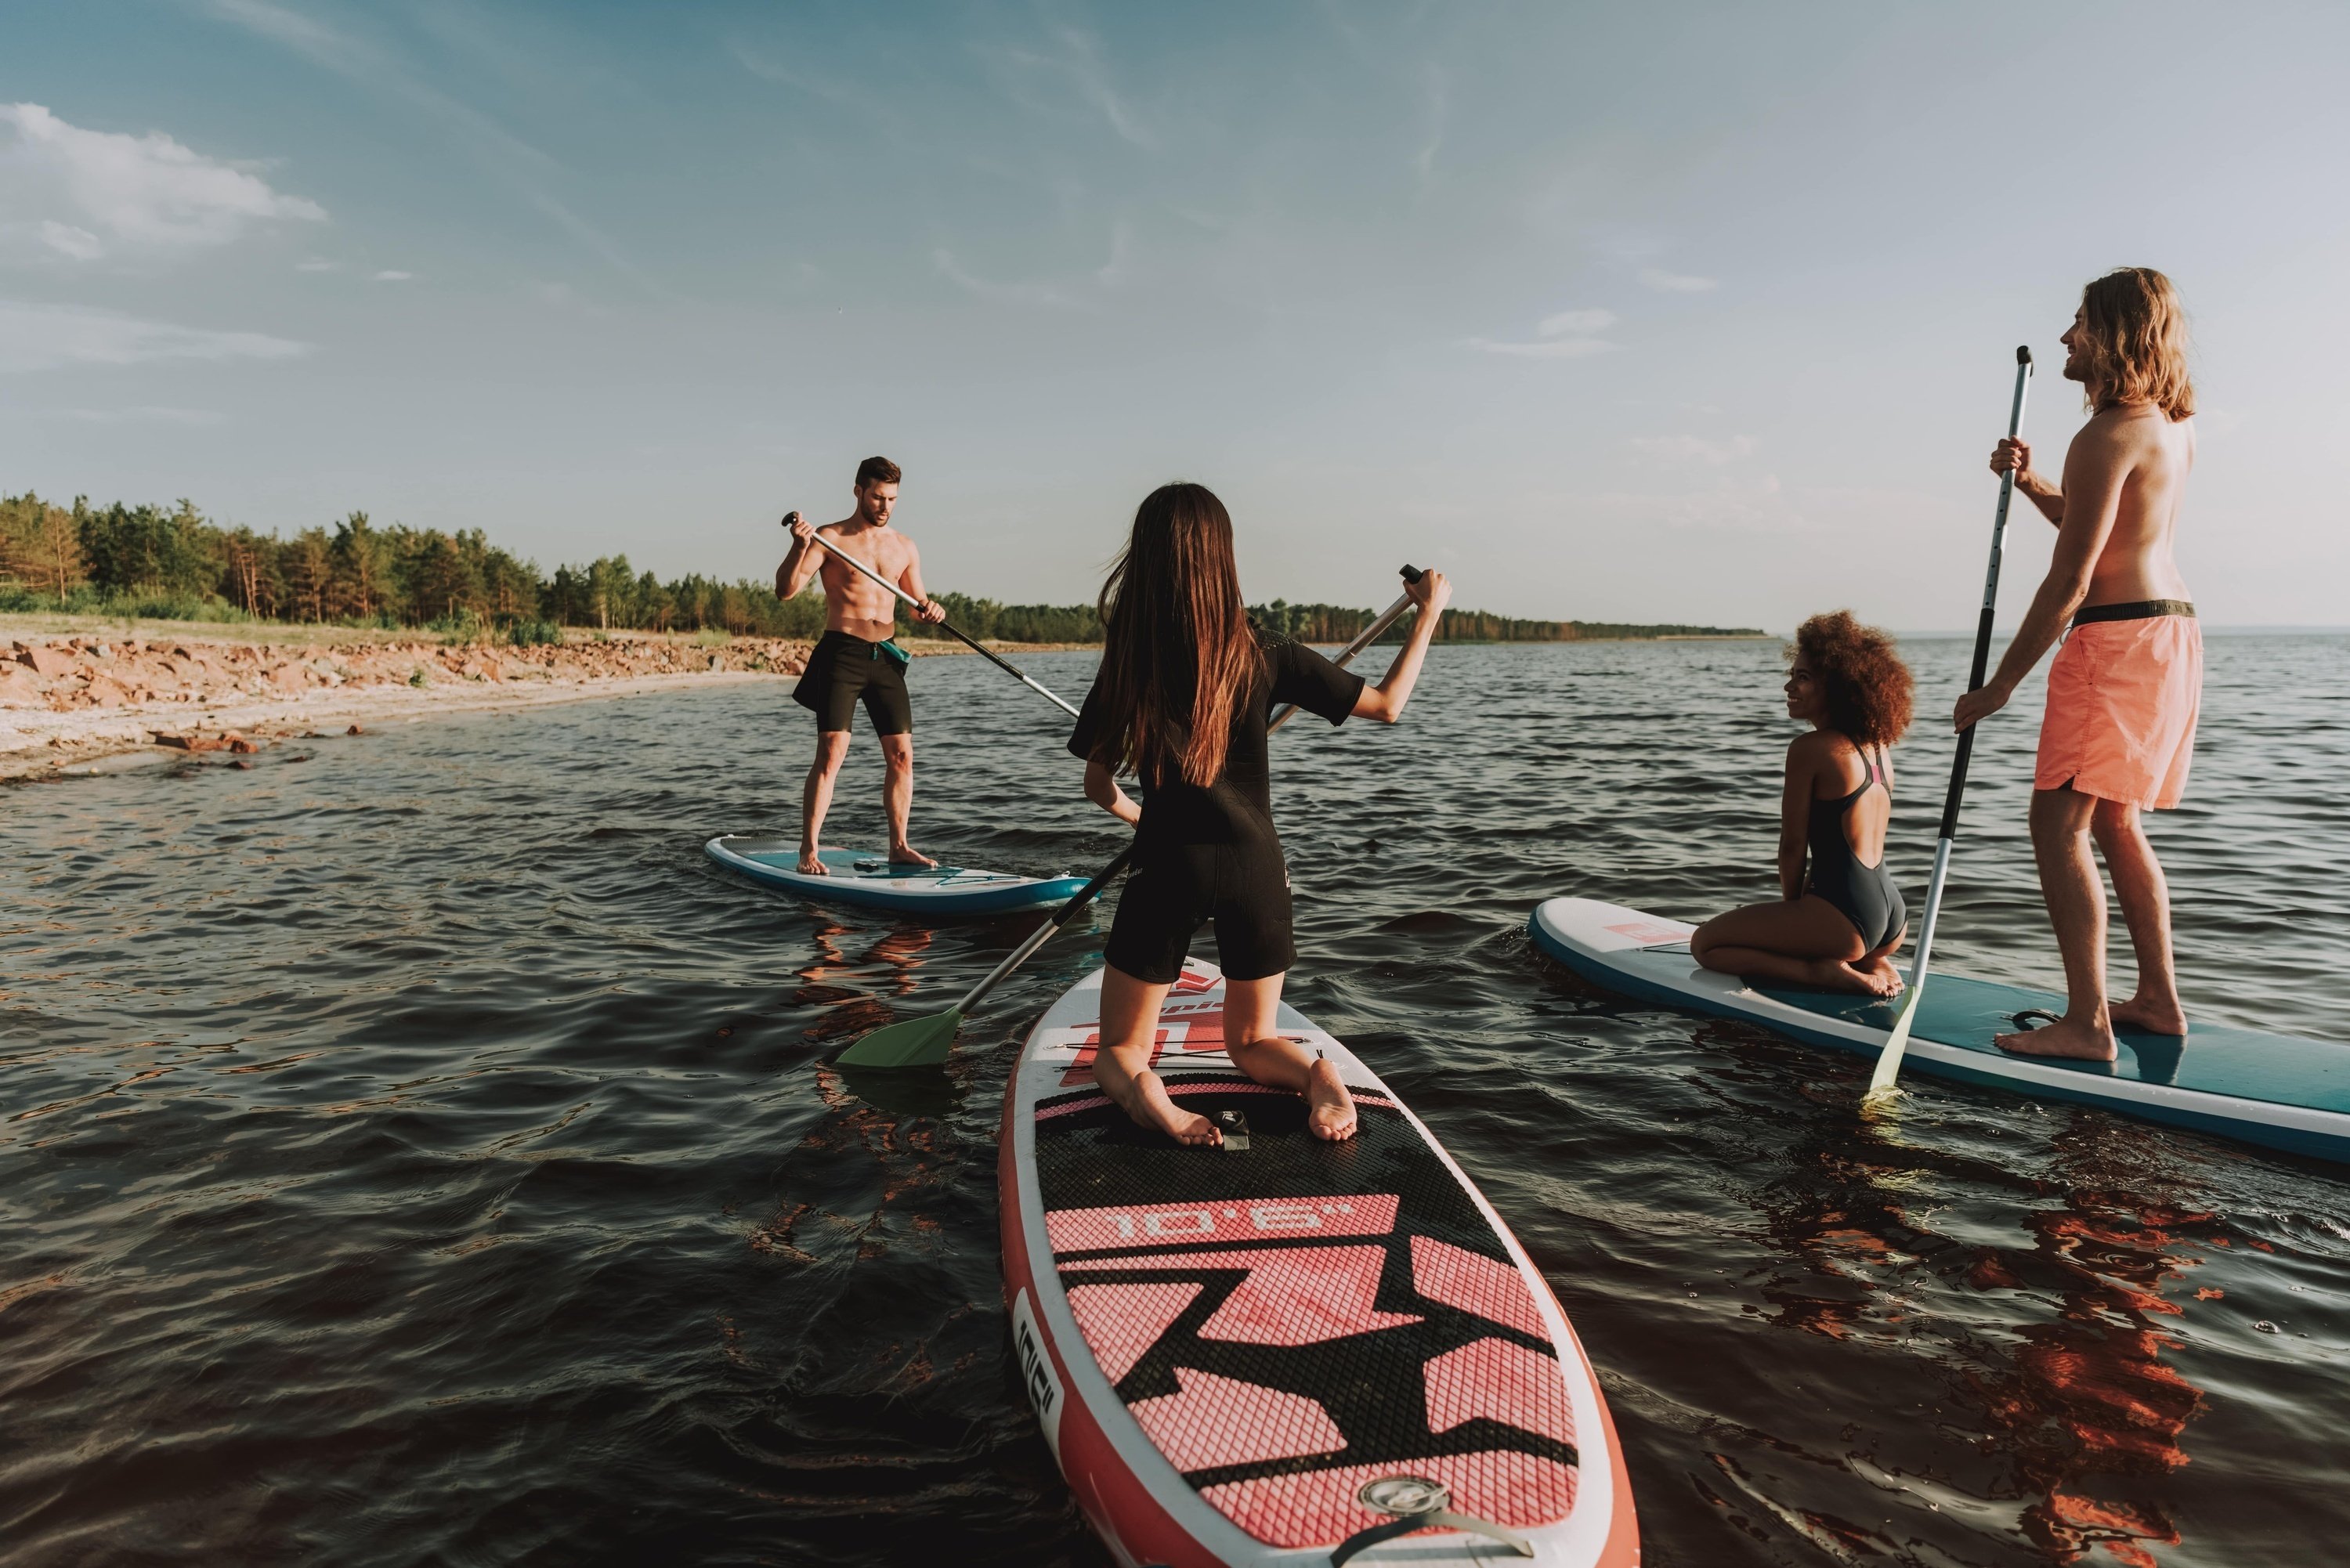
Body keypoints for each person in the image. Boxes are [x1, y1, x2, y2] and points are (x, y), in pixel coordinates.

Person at [1069, 482, 1451, 1147]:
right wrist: (1429, 614)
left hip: (1168, 866)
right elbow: (1390, 705)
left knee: (1120, 1051)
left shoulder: (1129, 663)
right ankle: (1317, 1078)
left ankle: (1151, 1095)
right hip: (1257, 865)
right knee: (1252, 1041)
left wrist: (1142, 820)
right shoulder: (1268, 652)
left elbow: (1097, 785)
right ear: (1223, 557)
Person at [1954, 268, 2200, 1063]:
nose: (2066, 338)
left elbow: (2071, 577)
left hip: (2115, 640)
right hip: (2168, 633)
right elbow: (2102, 524)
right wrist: (2029, 482)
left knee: (2057, 821)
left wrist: (2000, 686)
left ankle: (2087, 1022)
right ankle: (2158, 999)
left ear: (2117, 332)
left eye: (2080, 322)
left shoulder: (2102, 434)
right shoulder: (2164, 425)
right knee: (2117, 822)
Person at [1692, 612, 1916, 997]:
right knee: (1850, 937)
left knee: (1706, 945)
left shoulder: (1811, 749)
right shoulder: (1877, 749)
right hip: (1892, 917)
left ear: (1839, 685)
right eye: (1793, 674)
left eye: (1803, 677)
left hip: (1842, 920)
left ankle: (1822, 971)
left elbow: (1793, 846)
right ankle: (1873, 959)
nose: (1788, 686)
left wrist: (1796, 918)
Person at [776, 455, 948, 876]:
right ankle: (809, 850)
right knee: (832, 753)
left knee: (902, 756)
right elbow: (786, 591)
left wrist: (931, 610)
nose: (885, 506)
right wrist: (800, 546)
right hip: (843, 653)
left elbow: (914, 605)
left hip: (886, 656)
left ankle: (900, 847)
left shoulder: (904, 546)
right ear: (858, 492)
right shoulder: (830, 538)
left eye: (892, 498)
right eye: (877, 496)